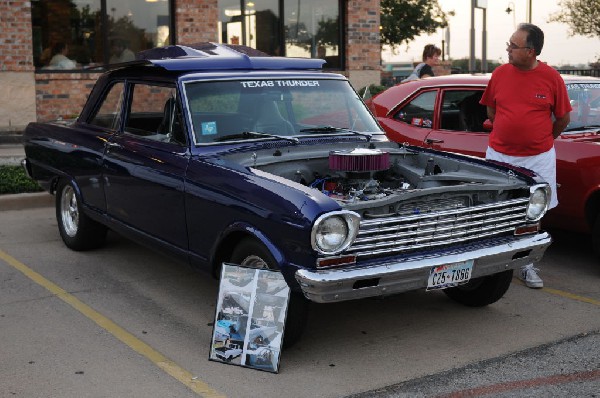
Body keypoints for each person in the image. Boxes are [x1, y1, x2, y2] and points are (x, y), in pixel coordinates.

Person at [480, 23, 571, 289]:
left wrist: (541, 139)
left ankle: (526, 264)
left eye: (513, 45)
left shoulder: (552, 78)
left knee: (534, 210)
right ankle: (493, 260)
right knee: (496, 207)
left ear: (530, 51)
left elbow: (563, 118)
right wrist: (509, 133)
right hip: (499, 155)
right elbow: (490, 112)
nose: (508, 49)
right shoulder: (499, 74)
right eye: (509, 43)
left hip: (538, 158)